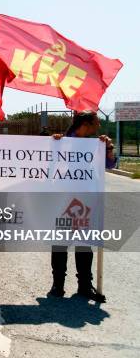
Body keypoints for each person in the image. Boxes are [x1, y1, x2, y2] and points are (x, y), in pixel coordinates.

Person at [48, 110, 115, 302]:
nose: (99, 126)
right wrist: (54, 144)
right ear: (86, 124)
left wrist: (108, 148)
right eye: (96, 122)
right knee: (60, 244)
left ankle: (85, 285)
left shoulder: (95, 145)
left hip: (86, 202)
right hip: (63, 201)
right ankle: (57, 285)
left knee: (84, 243)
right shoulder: (61, 142)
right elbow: (47, 164)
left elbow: (110, 165)